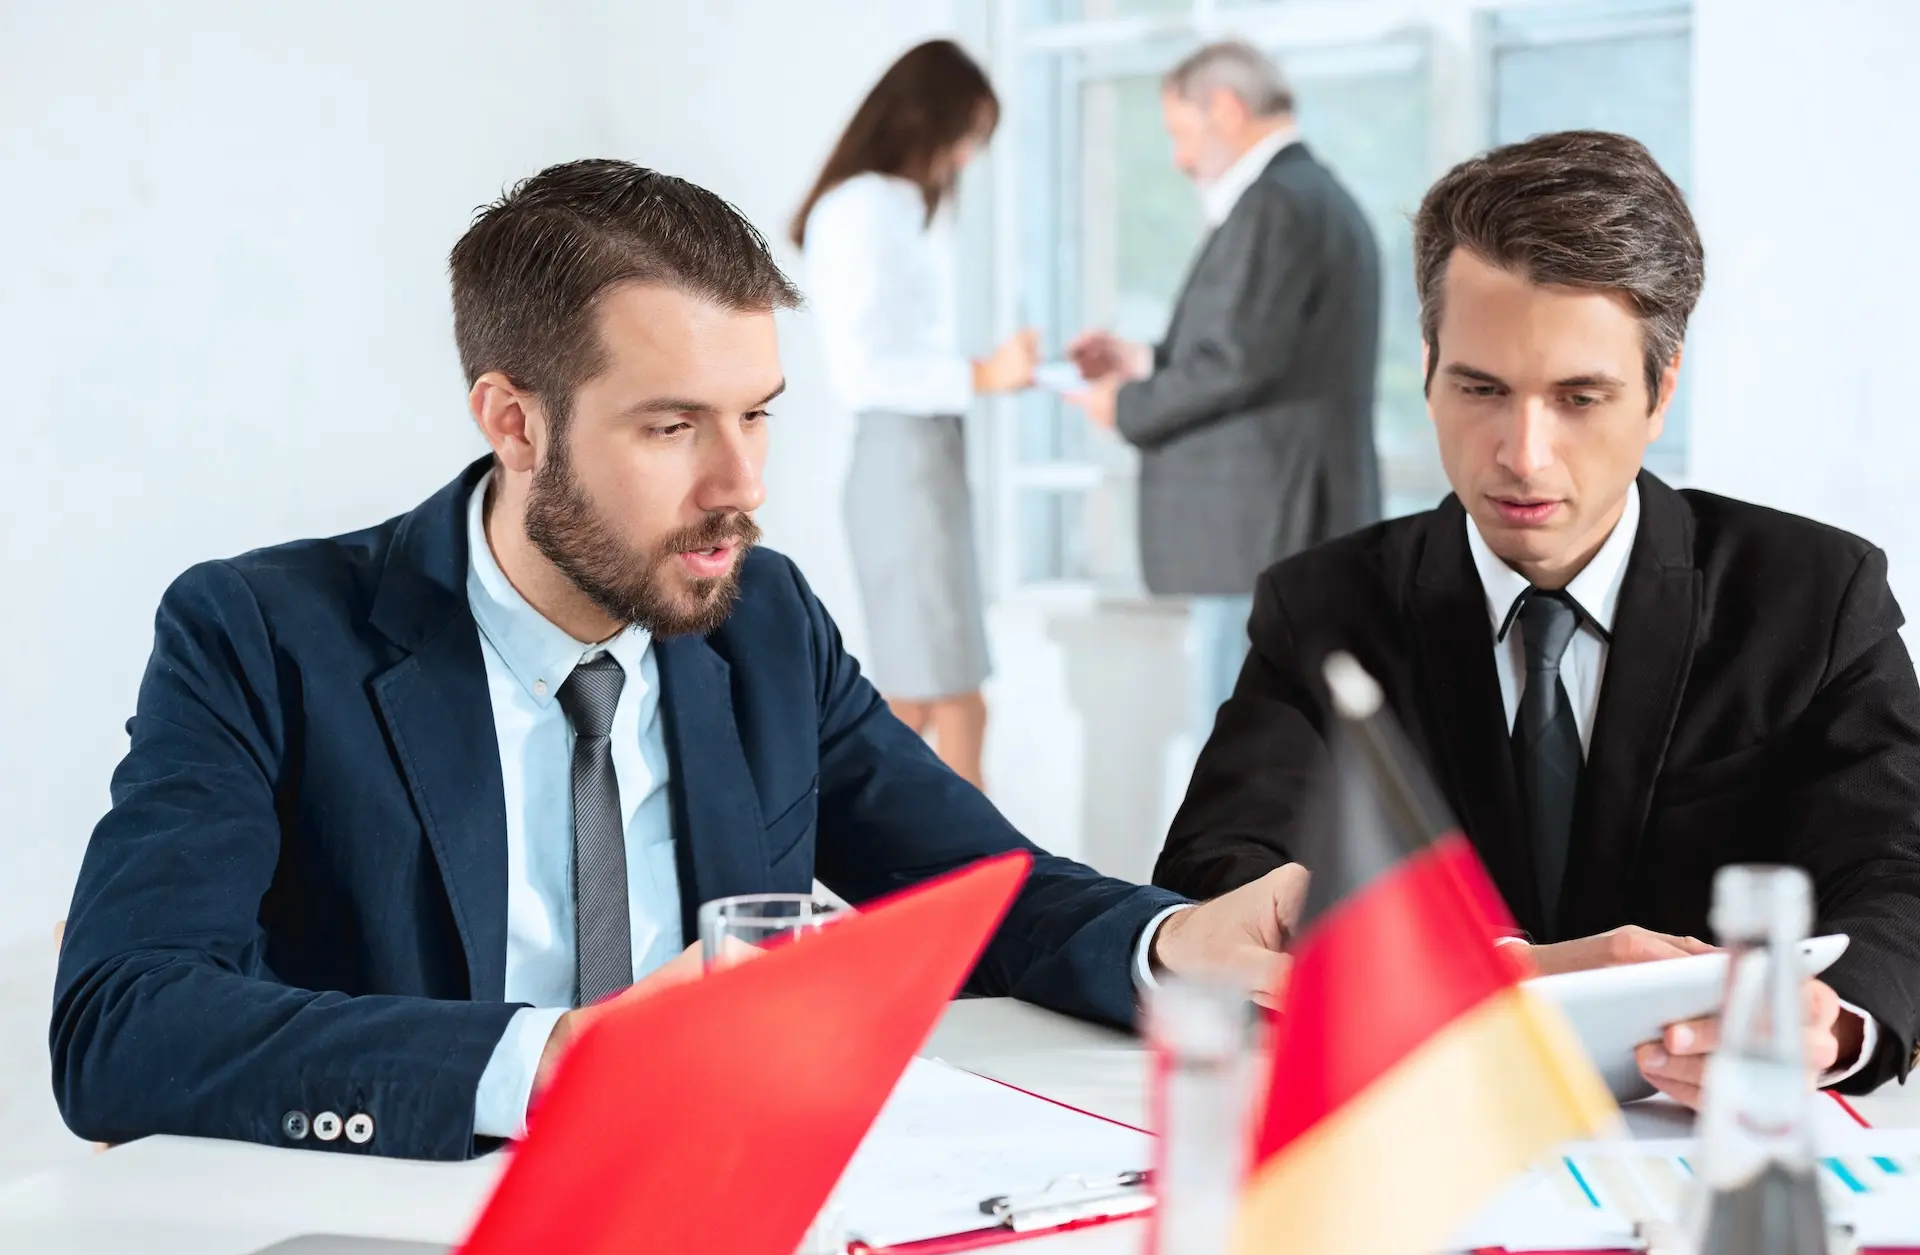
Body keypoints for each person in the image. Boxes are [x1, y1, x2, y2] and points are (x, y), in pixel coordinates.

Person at [49, 160, 1303, 1161]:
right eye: (673, 425)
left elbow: (978, 890)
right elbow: (123, 1019)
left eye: (757, 412)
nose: (742, 486)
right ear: (513, 419)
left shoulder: (763, 623)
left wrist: (1178, 938)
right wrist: (552, 1058)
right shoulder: (262, 634)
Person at [1153, 130, 1920, 1099]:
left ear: (1661, 386)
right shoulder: (1323, 604)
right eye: (1481, 388)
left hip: (1710, 1142)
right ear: (1429, 370)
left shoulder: (1814, 592)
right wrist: (1491, 964)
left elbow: (1901, 864)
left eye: (1579, 396)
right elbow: (1218, 873)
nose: (1523, 453)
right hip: (1416, 1128)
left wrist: (1834, 1020)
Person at [1065, 40, 1381, 751]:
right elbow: (1265, 353)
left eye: (1181, 133)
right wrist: (1142, 360)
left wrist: (1127, 406)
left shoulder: (1275, 204)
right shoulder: (1311, 197)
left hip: (1262, 532)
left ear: (1228, 111)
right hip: (1279, 524)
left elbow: (1237, 362)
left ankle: (1235, 870)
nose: (1178, 159)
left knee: (1247, 760)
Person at [791, 40, 1031, 790]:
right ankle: (983, 884)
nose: (963, 160)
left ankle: (937, 881)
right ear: (926, 119)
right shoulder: (860, 208)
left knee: (931, 695)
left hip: (926, 455)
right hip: (903, 460)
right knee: (946, 698)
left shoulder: (893, 208)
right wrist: (983, 374)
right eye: (965, 137)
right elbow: (864, 367)